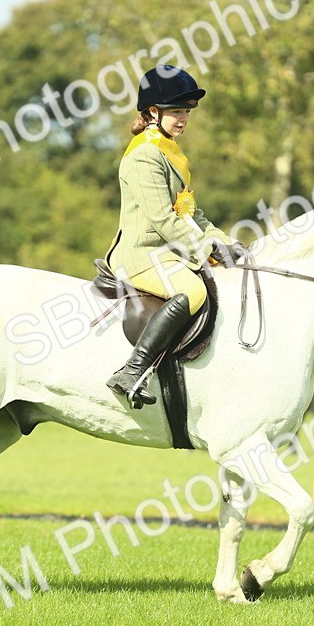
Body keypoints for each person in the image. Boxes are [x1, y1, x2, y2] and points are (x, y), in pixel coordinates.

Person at [103, 64, 247, 408]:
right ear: (153, 112)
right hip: (141, 255)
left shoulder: (171, 153)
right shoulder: (143, 155)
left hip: (168, 254)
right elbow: (163, 220)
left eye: (187, 112)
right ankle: (132, 371)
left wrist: (226, 242)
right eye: (176, 111)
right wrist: (206, 247)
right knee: (192, 290)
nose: (183, 119)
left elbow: (192, 214)